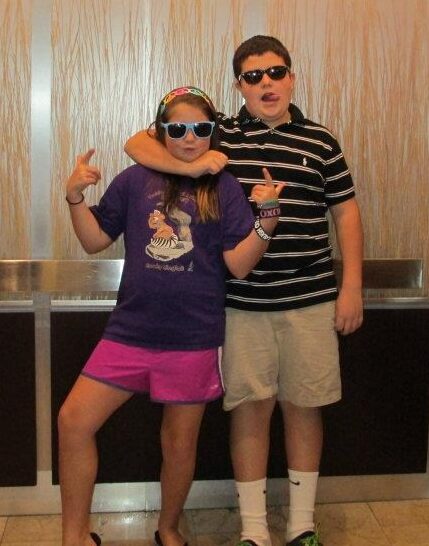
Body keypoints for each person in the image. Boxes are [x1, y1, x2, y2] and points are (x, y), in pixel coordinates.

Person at [124, 35, 363, 546]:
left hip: (311, 300)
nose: (266, 84)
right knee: (251, 410)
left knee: (304, 407)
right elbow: (138, 144)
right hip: (241, 304)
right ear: (240, 86)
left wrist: (352, 288)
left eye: (275, 72)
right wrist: (193, 166)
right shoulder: (220, 137)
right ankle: (254, 529)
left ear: (292, 78)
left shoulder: (320, 141)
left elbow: (345, 213)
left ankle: (302, 525)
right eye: (253, 76)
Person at [58, 85, 284, 546]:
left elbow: (239, 265)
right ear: (161, 130)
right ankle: (74, 536)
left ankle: (168, 529)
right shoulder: (133, 180)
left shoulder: (223, 186)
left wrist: (267, 222)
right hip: (129, 332)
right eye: (177, 128)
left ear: (212, 131)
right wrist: (75, 198)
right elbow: (94, 241)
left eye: (200, 128)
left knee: (179, 443)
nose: (189, 137)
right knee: (73, 421)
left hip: (193, 337)